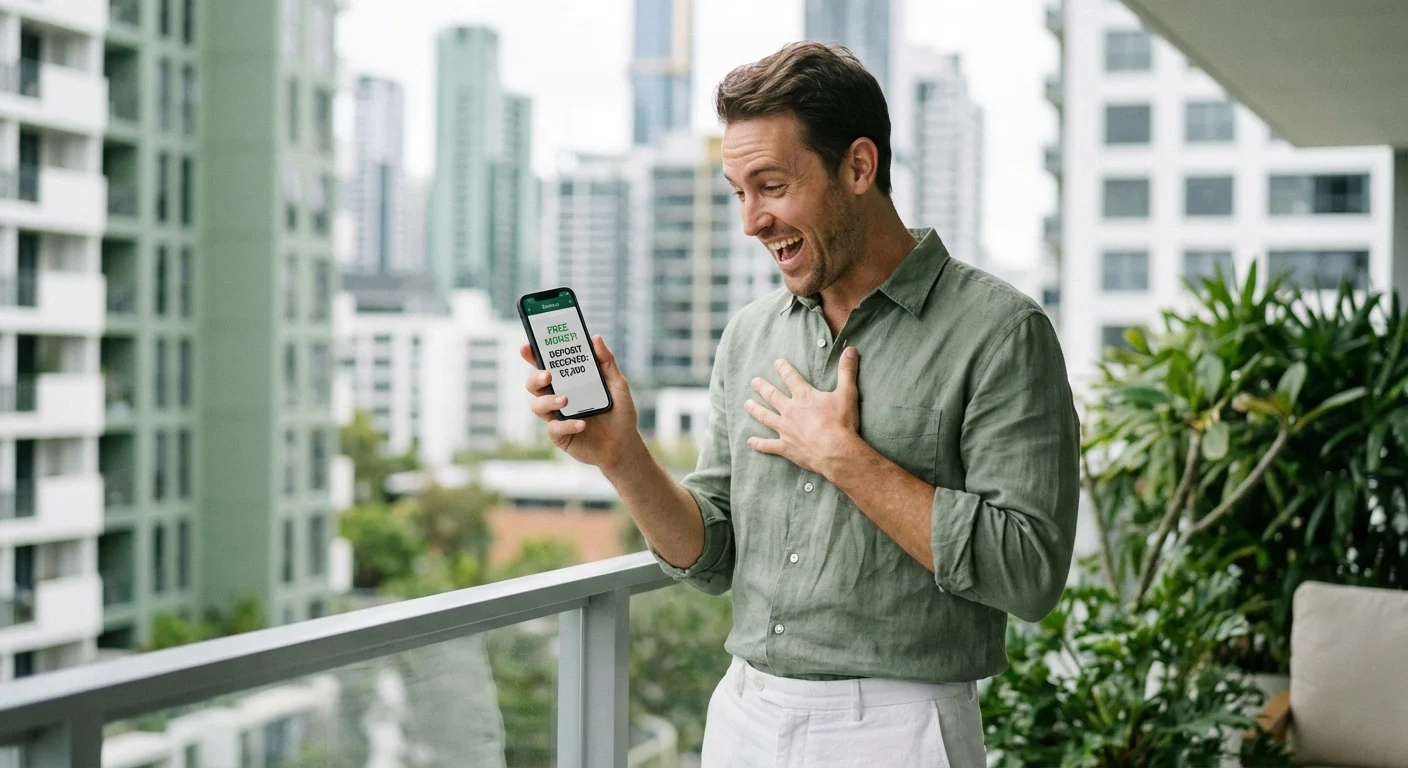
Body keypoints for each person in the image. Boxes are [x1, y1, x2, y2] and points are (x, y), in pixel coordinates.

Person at [520, 41, 1079, 768]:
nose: (752, 220)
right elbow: (712, 557)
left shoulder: (1002, 333)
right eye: (738, 192)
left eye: (772, 185)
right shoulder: (750, 334)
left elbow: (1030, 572)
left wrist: (847, 460)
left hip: (898, 729)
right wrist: (622, 457)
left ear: (857, 167)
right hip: (745, 716)